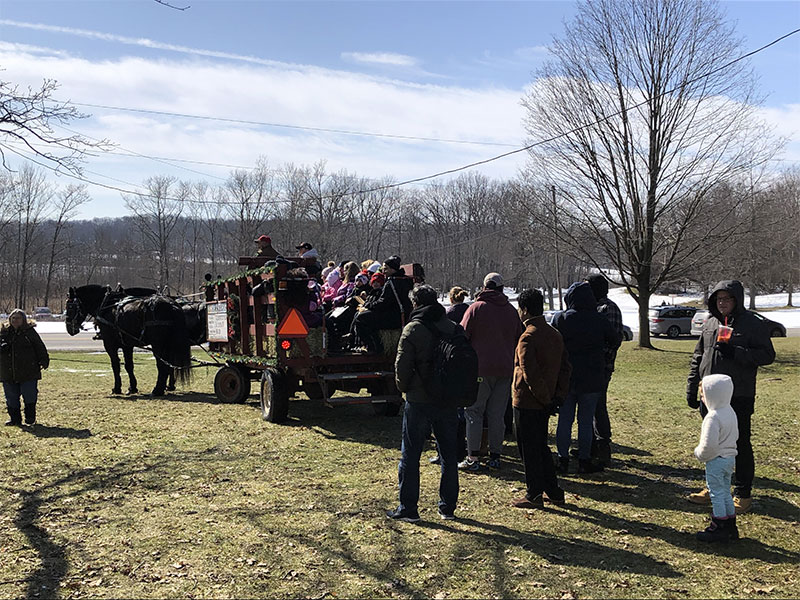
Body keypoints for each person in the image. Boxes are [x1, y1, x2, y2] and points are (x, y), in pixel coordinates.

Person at [686, 280, 775, 514]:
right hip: (710, 397)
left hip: (739, 395)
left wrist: (737, 352)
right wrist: (692, 386)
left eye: (727, 299)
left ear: (737, 300)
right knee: (712, 441)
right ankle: (714, 487)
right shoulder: (710, 322)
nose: (722, 303)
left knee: (739, 444)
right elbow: (699, 356)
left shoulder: (752, 324)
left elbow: (767, 355)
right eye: (718, 299)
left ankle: (743, 494)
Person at [387, 284, 462, 522]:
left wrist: (405, 388)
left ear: (416, 304)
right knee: (449, 455)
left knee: (410, 454)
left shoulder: (413, 329)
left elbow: (401, 367)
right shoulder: (453, 328)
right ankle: (447, 507)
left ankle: (408, 508)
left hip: (418, 400)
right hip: (448, 399)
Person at [511, 289, 572, 508]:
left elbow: (530, 373)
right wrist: (558, 396)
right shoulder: (554, 333)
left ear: (524, 309)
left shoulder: (528, 336)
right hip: (547, 401)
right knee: (540, 447)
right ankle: (554, 492)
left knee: (528, 449)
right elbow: (566, 367)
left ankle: (534, 493)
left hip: (528, 401)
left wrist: (545, 398)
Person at [552, 281, 621, 474]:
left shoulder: (562, 319)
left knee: (565, 420)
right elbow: (615, 339)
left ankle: (562, 459)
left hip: (567, 377)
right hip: (592, 376)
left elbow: (553, 343)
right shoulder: (599, 319)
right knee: (585, 420)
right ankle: (584, 460)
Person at [458, 272, 523, 471]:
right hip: (505, 369)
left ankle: (473, 457)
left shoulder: (476, 308)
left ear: (485, 286)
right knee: (497, 415)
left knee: (474, 412)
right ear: (502, 288)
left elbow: (462, 335)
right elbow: (518, 337)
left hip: (480, 369)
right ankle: (496, 456)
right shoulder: (511, 311)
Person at [694, 374, 740, 543]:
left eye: (703, 395)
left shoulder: (712, 417)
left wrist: (699, 453)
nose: (702, 399)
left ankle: (719, 527)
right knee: (726, 492)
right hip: (729, 459)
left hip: (716, 460)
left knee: (716, 494)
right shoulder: (730, 411)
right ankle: (730, 525)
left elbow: (708, 445)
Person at [586, 274, 624, 465]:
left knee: (598, 406)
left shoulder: (608, 309)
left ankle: (602, 447)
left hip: (602, 367)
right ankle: (591, 445)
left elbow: (611, 342)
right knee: (591, 407)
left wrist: (595, 357)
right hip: (594, 366)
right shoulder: (596, 308)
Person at [351, 256, 412, 354]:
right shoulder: (404, 280)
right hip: (401, 314)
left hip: (394, 317)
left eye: (386, 268)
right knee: (366, 316)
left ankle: (372, 347)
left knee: (361, 318)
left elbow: (383, 303)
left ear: (393, 269)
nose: (383, 270)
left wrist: (368, 304)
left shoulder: (392, 282)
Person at [1, 310, 50, 426]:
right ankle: (15, 419)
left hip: (28, 371)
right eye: (13, 318)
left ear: (23, 320)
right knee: (11, 397)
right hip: (8, 372)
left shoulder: (30, 332)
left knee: (29, 395)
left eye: (18, 318)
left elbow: (40, 347)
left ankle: (30, 418)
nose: (15, 320)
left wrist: (44, 360)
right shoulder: (4, 332)